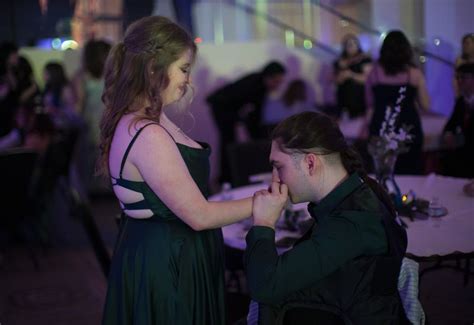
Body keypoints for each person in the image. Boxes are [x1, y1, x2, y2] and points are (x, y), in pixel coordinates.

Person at [99, 16, 253, 324]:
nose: (188, 81)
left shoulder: (146, 118)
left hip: (167, 254)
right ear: (154, 68)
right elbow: (200, 216)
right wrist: (267, 199)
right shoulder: (147, 133)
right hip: (168, 263)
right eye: (183, 69)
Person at [245, 111, 408, 324]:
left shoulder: (352, 223)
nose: (274, 179)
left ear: (310, 163)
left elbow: (265, 286)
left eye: (278, 167)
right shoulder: (359, 193)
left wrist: (264, 224)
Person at [207, 61, 286, 183]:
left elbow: (253, 115)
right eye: (276, 81)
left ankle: (227, 177)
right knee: (228, 142)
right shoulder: (254, 84)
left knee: (230, 142)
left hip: (226, 107)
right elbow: (248, 113)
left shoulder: (260, 85)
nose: (277, 85)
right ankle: (226, 178)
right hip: (221, 107)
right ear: (268, 76)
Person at [364, 30, 430, 175]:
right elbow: (426, 105)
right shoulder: (414, 73)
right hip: (408, 129)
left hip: (381, 128)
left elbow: (369, 104)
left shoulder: (373, 73)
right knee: (411, 174)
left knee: (382, 175)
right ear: (406, 49)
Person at [441, 63, 474, 178]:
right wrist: (448, 134)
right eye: (457, 77)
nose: (459, 81)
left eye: (463, 77)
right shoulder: (460, 101)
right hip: (463, 157)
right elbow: (450, 124)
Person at [333, 34, 372, 119]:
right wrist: (342, 76)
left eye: (353, 43)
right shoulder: (339, 62)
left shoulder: (364, 60)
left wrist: (351, 75)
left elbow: (367, 79)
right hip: (343, 101)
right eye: (348, 44)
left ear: (358, 45)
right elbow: (335, 80)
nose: (351, 46)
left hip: (360, 101)